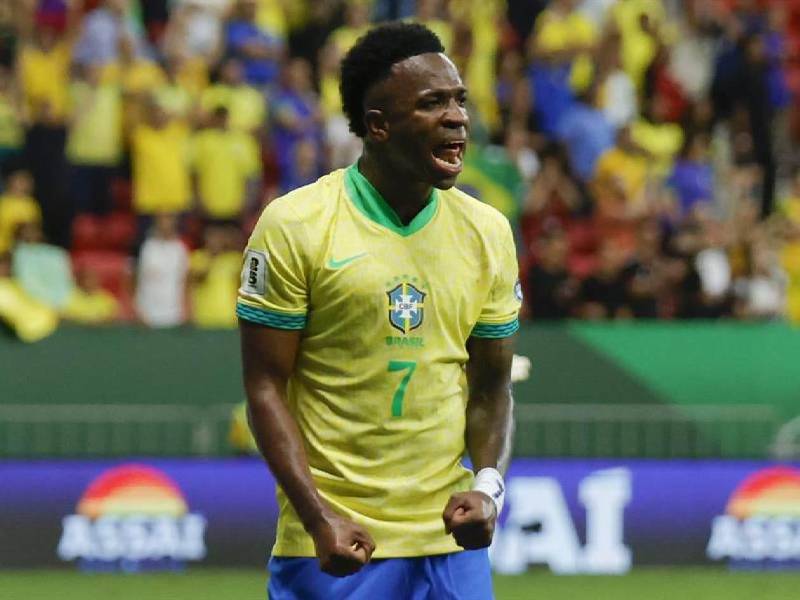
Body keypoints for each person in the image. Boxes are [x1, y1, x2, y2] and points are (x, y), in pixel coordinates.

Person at [237, 23, 520, 600]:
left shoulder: (487, 232)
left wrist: (489, 487)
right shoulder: (296, 226)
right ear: (378, 125)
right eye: (432, 103)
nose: (457, 118)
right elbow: (265, 387)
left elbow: (492, 386)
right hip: (338, 543)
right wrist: (317, 517)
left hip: (450, 544)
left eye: (460, 100)